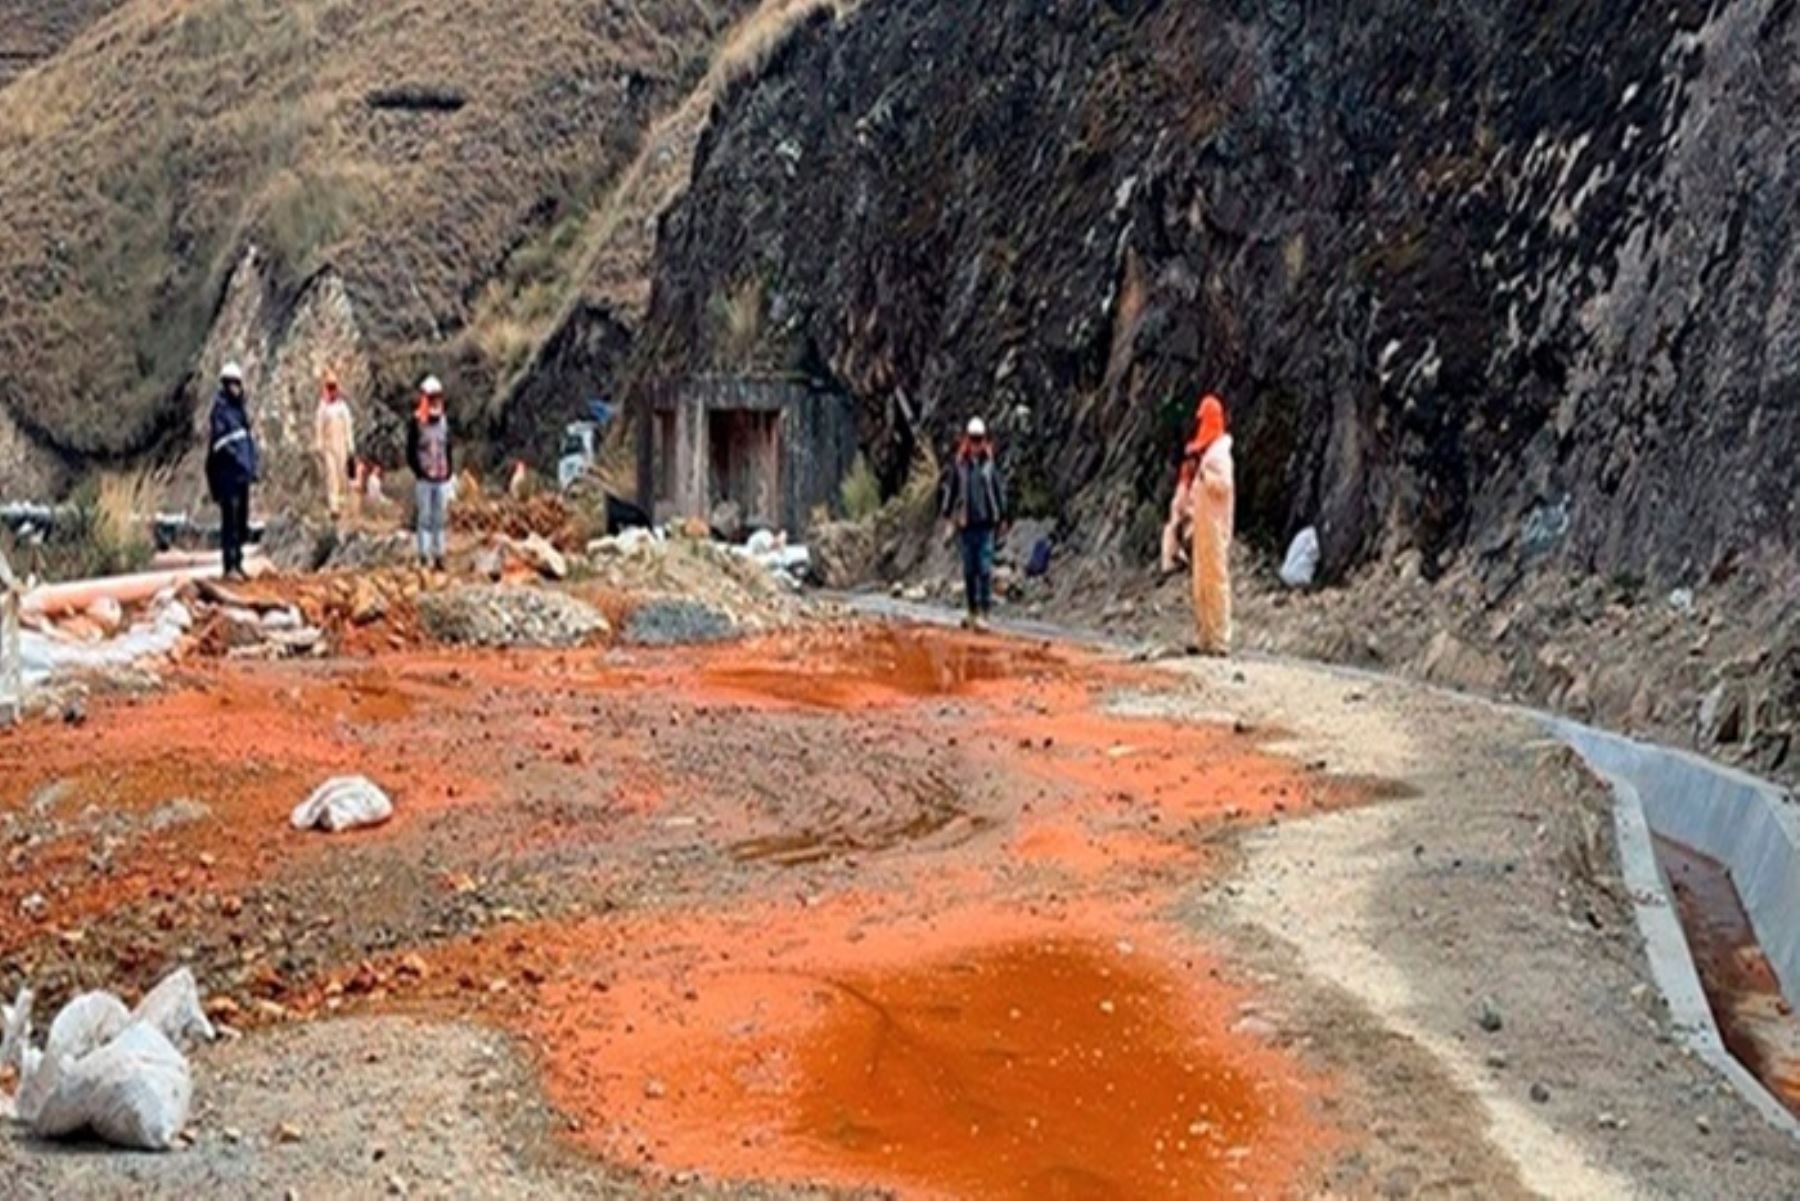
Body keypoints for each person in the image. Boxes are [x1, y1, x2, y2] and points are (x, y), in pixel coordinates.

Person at [941, 416, 1007, 630]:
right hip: (966, 526)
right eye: (973, 439)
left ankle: (985, 613)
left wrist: (1003, 516)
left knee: (985, 569)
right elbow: (951, 491)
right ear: (967, 440)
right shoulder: (960, 466)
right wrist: (948, 516)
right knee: (969, 571)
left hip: (986, 525)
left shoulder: (989, 466)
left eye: (979, 439)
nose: (977, 444)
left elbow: (998, 490)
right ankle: (972, 611)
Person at [1186, 394, 1235, 655]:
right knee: (1201, 583)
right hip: (1204, 527)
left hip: (1216, 528)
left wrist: (1206, 477)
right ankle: (1204, 636)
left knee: (1216, 582)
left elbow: (1224, 486)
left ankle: (1220, 639)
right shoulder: (1209, 455)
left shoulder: (1221, 456)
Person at [205, 361, 258, 581]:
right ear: (225, 384)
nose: (236, 388)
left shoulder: (239, 411)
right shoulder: (221, 411)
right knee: (230, 520)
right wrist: (237, 461)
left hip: (241, 475)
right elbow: (222, 445)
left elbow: (245, 441)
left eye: (238, 383)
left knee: (241, 521)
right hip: (228, 475)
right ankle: (229, 566)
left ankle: (238, 562)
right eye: (232, 384)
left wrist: (251, 466)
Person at [406, 376, 454, 571]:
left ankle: (439, 554)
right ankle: (425, 555)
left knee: (439, 518)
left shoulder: (444, 421)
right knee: (425, 518)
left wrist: (449, 469)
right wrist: (418, 471)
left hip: (441, 477)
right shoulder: (416, 423)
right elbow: (410, 451)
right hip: (425, 478)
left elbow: (448, 447)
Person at [313, 370, 356, 524]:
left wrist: (351, 446)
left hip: (342, 446)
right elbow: (319, 427)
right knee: (332, 477)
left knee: (342, 475)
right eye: (329, 387)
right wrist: (319, 445)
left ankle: (344, 507)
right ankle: (334, 508)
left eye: (333, 387)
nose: (331, 390)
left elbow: (348, 427)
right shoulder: (322, 408)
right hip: (329, 446)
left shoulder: (343, 407)